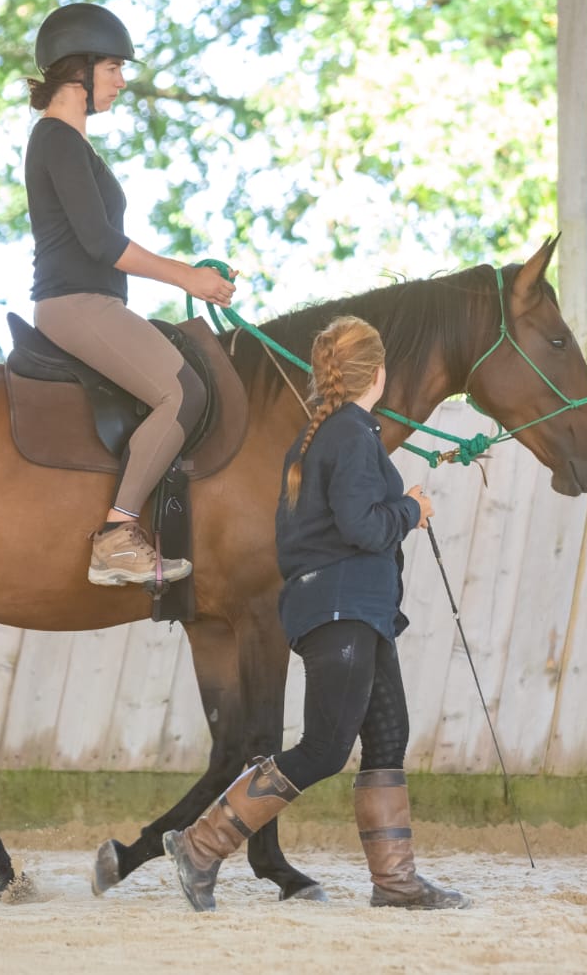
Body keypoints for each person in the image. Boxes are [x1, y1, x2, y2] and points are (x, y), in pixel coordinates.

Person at [162, 315, 471, 911]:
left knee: (387, 735)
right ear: (378, 374)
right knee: (325, 749)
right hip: (345, 608)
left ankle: (396, 883)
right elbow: (360, 526)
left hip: (355, 607)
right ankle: (200, 846)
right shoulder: (353, 437)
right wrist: (411, 508)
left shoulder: (321, 437)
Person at [24, 3, 237, 587]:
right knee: (182, 394)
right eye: (114, 67)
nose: (122, 80)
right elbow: (100, 242)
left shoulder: (70, 144)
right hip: (78, 303)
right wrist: (187, 277)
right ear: (80, 69)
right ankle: (118, 536)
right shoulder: (57, 141)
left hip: (95, 303)